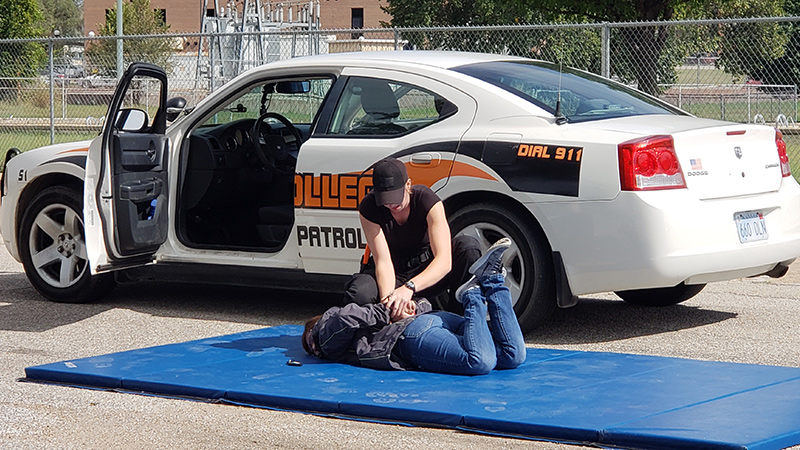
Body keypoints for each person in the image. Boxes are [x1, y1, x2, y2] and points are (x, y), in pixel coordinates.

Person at [302, 238, 526, 375]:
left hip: (409, 335)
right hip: (432, 321)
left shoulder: (322, 337)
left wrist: (391, 311)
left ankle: (473, 294)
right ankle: (493, 280)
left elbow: (344, 319)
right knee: (513, 355)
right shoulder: (331, 335)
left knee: (479, 361)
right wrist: (411, 308)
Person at [345, 157, 481, 317]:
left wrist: (410, 288)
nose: (391, 205)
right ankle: (373, 334)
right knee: (360, 291)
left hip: (425, 271)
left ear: (408, 185)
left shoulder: (427, 201)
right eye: (385, 200)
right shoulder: (369, 208)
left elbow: (444, 262)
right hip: (392, 274)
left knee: (467, 247)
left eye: (396, 197)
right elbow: (383, 261)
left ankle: (458, 318)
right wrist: (390, 303)